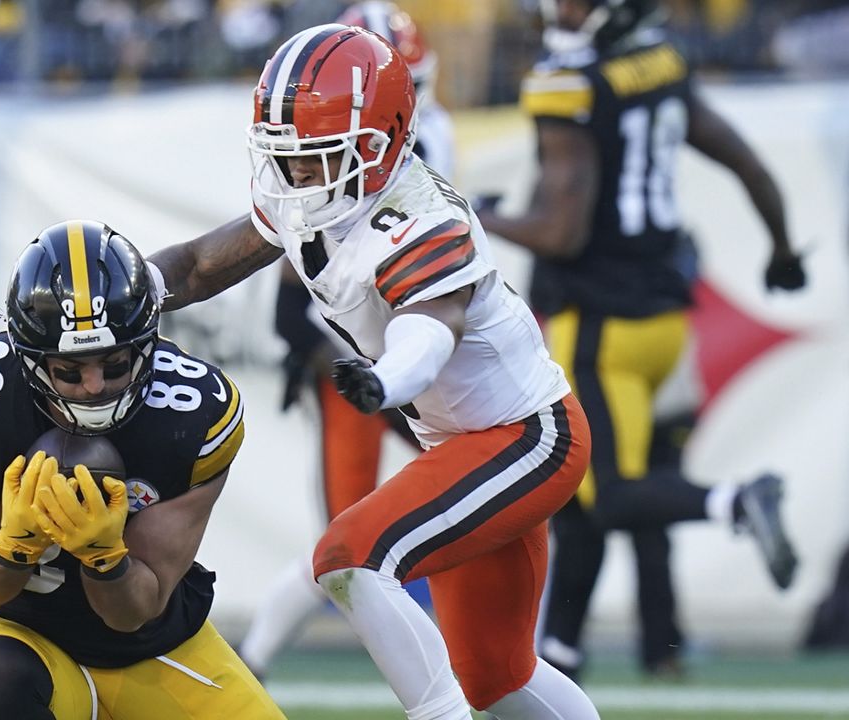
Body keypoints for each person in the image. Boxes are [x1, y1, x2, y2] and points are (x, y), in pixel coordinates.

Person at [148, 23, 600, 720]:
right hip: (470, 440)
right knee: (495, 676)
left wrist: (388, 380)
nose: (295, 175)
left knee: (349, 556)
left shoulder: (420, 220)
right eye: (285, 157)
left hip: (528, 437)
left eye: (313, 158)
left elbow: (432, 327)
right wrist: (121, 286)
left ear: (378, 146)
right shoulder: (316, 197)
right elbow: (202, 265)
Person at [475, 0, 806, 682]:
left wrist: (485, 216)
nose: (555, 8)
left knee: (608, 494)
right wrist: (781, 251)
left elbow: (561, 232)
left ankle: (737, 500)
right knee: (617, 495)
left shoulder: (569, 84)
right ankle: (587, 650)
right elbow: (749, 164)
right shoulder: (660, 63)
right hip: (666, 325)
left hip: (601, 325)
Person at [0, 220, 284, 720]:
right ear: (29, 359)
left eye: (115, 364)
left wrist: (104, 557)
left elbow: (133, 611)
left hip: (153, 649)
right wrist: (15, 549)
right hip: (15, 636)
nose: (95, 386)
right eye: (70, 371)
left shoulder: (195, 412)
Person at [239, 0, 457, 680]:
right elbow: (285, 280)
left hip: (424, 358)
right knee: (349, 533)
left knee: (431, 515)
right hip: (359, 360)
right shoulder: (312, 164)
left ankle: (493, 654)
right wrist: (335, 355)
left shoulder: (432, 143)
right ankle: (256, 657)